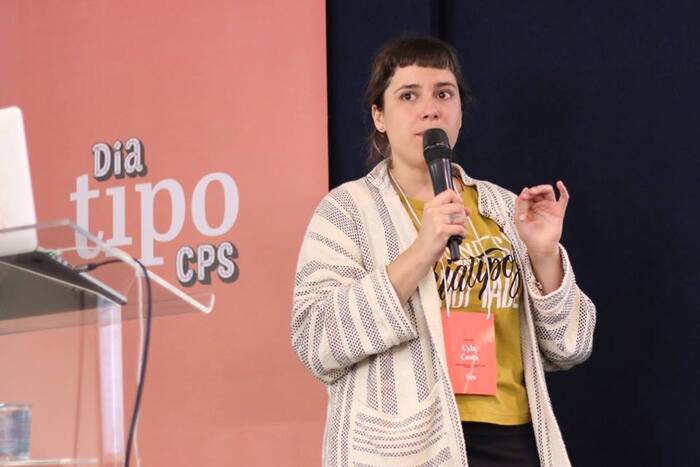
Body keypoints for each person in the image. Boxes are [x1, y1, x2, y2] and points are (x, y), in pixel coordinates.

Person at [291, 36, 596, 467]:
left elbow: (570, 346)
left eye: (443, 94)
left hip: (514, 438)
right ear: (379, 116)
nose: (429, 108)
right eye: (408, 95)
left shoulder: (504, 208)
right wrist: (422, 249)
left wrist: (544, 255)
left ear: (459, 114)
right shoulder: (347, 211)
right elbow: (316, 339)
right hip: (404, 450)